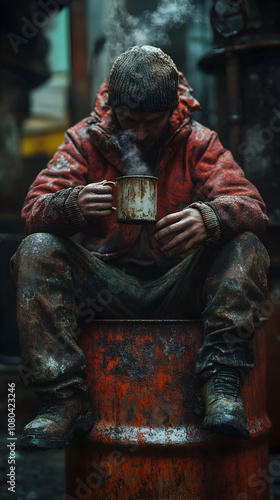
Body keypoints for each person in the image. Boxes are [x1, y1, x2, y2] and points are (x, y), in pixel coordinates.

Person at [10, 45, 269, 452]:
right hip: (106, 290)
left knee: (247, 245)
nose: (142, 134)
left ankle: (221, 384)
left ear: (173, 111)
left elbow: (253, 207)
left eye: (153, 122)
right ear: (113, 111)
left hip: (179, 287)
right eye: (130, 122)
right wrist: (71, 205)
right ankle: (63, 399)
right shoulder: (84, 140)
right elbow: (32, 212)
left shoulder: (198, 141)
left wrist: (211, 218)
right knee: (37, 248)